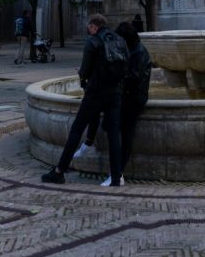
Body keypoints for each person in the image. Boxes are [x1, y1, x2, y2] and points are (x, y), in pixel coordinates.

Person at [42, 14, 124, 187]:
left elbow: (85, 71)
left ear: (94, 26)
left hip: (95, 93)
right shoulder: (119, 40)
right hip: (115, 92)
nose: (89, 30)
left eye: (89, 27)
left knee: (77, 129)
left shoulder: (92, 42)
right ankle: (116, 177)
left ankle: (59, 171)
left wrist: (82, 74)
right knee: (114, 134)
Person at [73, 20, 151, 185]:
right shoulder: (133, 50)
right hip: (125, 97)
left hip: (134, 100)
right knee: (103, 119)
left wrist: (117, 79)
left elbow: (134, 78)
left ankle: (118, 173)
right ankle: (89, 144)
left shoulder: (139, 53)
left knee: (125, 134)